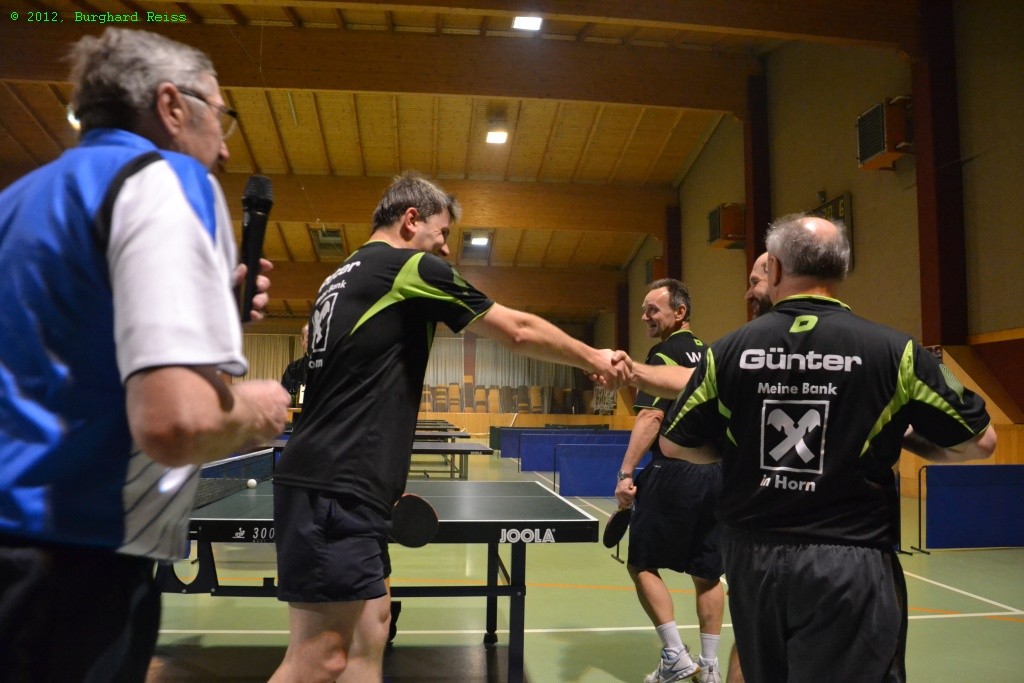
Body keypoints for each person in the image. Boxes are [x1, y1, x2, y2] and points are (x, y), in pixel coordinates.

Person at [0, 28, 291, 680]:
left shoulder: (17, 200)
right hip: (71, 570)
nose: (225, 146)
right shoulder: (167, 180)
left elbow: (59, 354)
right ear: (172, 106)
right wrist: (257, 409)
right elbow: (176, 422)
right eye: (221, 115)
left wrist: (201, 307)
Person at [269, 171, 626, 682]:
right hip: (336, 486)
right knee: (318, 657)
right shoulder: (407, 268)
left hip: (342, 483)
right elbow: (517, 331)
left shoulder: (340, 276)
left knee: (373, 627)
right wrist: (592, 355)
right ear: (411, 219)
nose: (446, 247)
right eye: (442, 233)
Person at [656, 214, 995, 682]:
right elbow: (981, 441)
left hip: (753, 559)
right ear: (842, 269)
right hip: (850, 562)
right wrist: (902, 437)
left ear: (775, 269)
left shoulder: (726, 351)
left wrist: (738, 448)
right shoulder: (899, 351)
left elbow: (674, 443)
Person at [614, 279, 725, 683]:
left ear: (680, 313)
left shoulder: (663, 354)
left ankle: (675, 655)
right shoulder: (712, 355)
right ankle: (709, 667)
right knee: (708, 573)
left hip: (674, 470)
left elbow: (651, 416)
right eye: (644, 309)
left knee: (641, 562)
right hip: (716, 473)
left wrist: (626, 473)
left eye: (653, 309)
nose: (645, 316)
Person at [281, 323, 310, 396]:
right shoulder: (292, 369)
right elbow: (284, 396)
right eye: (309, 337)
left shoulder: (330, 366)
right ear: (302, 341)